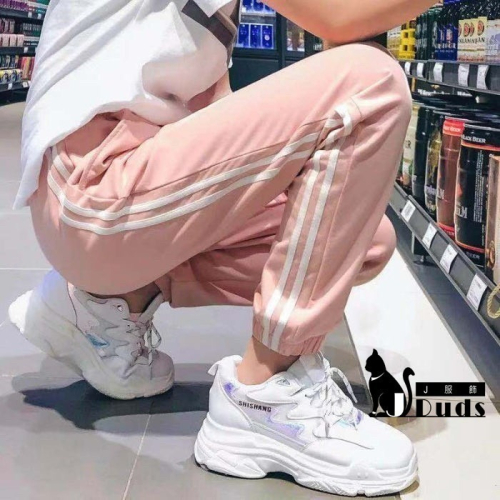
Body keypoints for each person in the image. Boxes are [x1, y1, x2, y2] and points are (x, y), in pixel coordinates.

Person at [9, 0, 435, 495]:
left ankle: (107, 301)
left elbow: (212, 112)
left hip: (132, 186)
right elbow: (338, 17)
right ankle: (265, 393)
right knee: (369, 82)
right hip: (92, 194)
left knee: (363, 239)